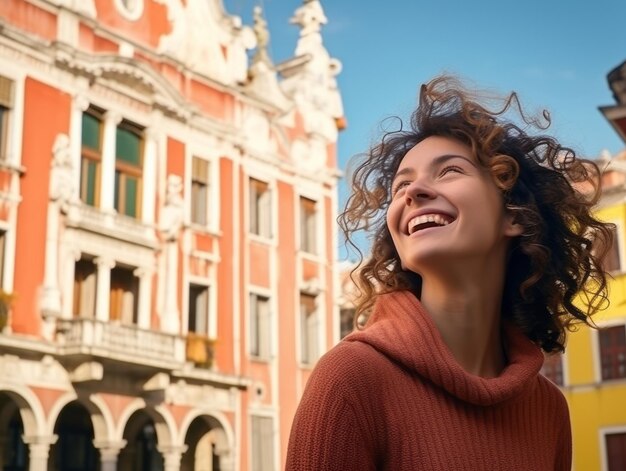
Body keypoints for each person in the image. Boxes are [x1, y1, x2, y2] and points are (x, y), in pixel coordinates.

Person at [285, 76, 613, 470]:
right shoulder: (351, 379)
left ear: (515, 215)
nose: (413, 192)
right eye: (401, 185)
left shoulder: (548, 408)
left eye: (449, 171)